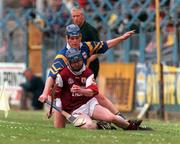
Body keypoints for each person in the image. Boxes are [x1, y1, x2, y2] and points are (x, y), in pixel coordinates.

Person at [39, 24, 139, 128]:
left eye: (77, 38)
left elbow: (105, 45)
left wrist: (122, 38)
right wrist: (45, 94)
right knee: (59, 128)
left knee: (99, 96)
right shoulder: (62, 57)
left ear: (80, 37)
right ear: (67, 38)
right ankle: (101, 124)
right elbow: (51, 76)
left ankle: (121, 119)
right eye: (72, 38)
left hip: (82, 87)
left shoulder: (86, 47)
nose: (75, 41)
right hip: (65, 95)